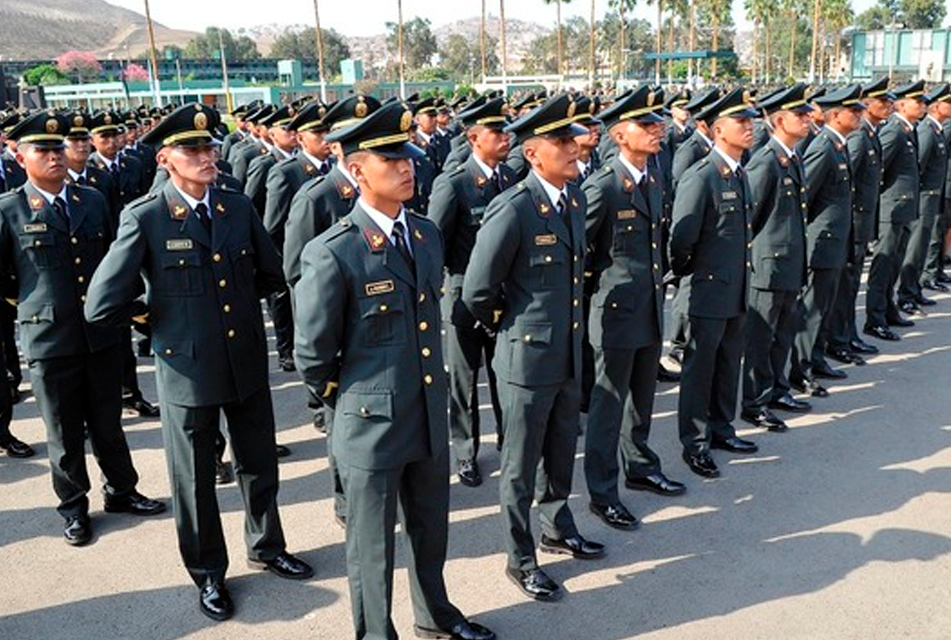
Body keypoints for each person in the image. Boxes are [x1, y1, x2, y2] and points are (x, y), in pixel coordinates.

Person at [85, 103, 313, 622]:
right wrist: (159, 322)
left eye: (210, 146)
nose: (208, 156)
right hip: (188, 370)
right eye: (194, 149)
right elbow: (102, 304)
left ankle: (267, 545)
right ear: (166, 158)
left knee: (258, 464)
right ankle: (208, 571)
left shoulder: (236, 206)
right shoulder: (145, 217)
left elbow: (271, 274)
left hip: (245, 360)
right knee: (194, 482)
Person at [294, 100, 495, 640]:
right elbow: (313, 353)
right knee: (372, 547)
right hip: (371, 422)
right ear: (357, 170)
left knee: (430, 530)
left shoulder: (425, 233)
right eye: (390, 160)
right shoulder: (334, 251)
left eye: (407, 156)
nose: (406, 167)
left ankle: (435, 616)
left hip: (426, 410)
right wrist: (351, 400)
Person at [464, 93, 605, 603]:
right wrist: (509, 325)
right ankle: (520, 559)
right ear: (532, 153)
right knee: (520, 465)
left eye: (574, 138)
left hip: (566, 352)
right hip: (526, 358)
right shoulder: (515, 208)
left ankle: (557, 525)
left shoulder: (576, 196)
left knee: (561, 450)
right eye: (562, 141)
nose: (575, 147)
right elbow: (477, 289)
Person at [0, 109, 164, 543]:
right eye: (44, 150)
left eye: (59, 148)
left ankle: (122, 490)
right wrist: (35, 306)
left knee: (108, 421)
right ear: (20, 157)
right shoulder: (10, 210)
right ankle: (74, 507)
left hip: (101, 332)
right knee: (64, 430)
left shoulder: (90, 200)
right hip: (50, 339)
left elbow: (114, 259)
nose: (55, 156)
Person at [582, 85, 687, 532]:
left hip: (647, 307)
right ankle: (603, 493)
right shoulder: (604, 187)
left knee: (642, 398)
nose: (657, 129)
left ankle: (641, 465)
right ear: (620, 136)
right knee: (608, 408)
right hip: (614, 314)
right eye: (646, 125)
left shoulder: (652, 177)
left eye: (657, 121)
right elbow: (580, 257)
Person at [669, 88, 760, 479]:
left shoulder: (740, 172)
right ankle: (695, 441)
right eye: (741, 122)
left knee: (728, 363)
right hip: (706, 289)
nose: (750, 127)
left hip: (736, 287)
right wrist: (693, 274)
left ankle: (723, 428)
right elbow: (681, 239)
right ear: (719, 130)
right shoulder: (702, 176)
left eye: (750, 120)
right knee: (699, 369)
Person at [428, 96, 514, 488]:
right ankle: (465, 452)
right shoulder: (455, 184)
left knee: (504, 373)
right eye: (496, 132)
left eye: (505, 130)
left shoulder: (510, 179)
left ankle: (509, 440)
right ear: (474, 138)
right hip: (463, 296)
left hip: (504, 294)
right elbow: (435, 245)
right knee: (464, 380)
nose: (505, 138)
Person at [740, 83, 813, 433]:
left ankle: (777, 389)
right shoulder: (766, 162)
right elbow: (748, 220)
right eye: (800, 115)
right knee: (760, 338)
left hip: (789, 263)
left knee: (783, 332)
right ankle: (754, 402)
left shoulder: (792, 156)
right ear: (780, 120)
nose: (808, 119)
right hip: (768, 267)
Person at [790, 84, 866, 398]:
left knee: (824, 306)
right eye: (854, 110)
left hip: (835, 242)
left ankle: (817, 359)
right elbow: (804, 197)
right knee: (811, 310)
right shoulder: (823, 147)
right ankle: (801, 370)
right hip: (821, 242)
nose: (859, 114)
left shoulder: (839, 145)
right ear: (835, 115)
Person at [826, 77, 893, 364]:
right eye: (882, 102)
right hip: (851, 223)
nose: (888, 106)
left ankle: (848, 334)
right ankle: (838, 340)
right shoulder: (856, 137)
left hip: (861, 223)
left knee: (851, 284)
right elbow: (842, 186)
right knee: (843, 286)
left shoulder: (869, 134)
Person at [864, 80, 928, 341]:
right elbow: (879, 170)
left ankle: (888, 309)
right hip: (891, 209)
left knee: (894, 264)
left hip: (903, 209)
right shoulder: (894, 131)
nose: (923, 106)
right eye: (918, 101)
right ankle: (875, 318)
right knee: (883, 264)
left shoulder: (908, 129)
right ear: (904, 105)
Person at [898, 84, 950, 311]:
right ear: (938, 106)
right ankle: (906, 294)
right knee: (916, 246)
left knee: (922, 245)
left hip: (933, 196)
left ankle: (914, 288)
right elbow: (918, 167)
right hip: (923, 197)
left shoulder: (936, 129)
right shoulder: (928, 130)